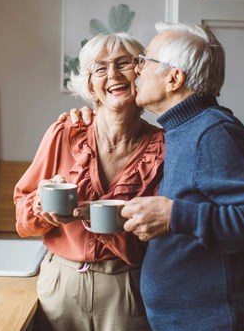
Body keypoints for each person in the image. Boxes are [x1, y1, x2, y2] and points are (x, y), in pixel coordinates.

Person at [65, 23, 244, 330]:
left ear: (174, 78)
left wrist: (174, 216)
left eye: (145, 61)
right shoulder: (182, 129)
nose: (137, 70)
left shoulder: (214, 133)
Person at [14, 32, 165, 331]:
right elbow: (22, 216)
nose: (112, 74)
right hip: (61, 285)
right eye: (100, 68)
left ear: (140, 73)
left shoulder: (163, 147)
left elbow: (161, 239)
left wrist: (95, 215)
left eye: (124, 63)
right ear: (91, 86)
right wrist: (40, 206)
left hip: (127, 288)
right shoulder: (64, 132)